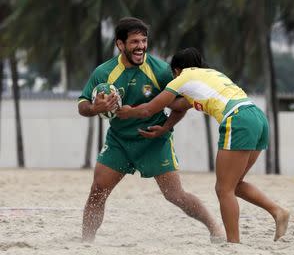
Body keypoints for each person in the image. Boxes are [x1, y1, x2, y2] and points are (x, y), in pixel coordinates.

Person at [116, 47, 290, 243]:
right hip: (257, 118)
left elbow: (149, 110)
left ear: (177, 70)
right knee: (235, 185)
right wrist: (164, 128)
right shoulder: (210, 75)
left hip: (238, 119)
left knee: (223, 189)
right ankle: (278, 212)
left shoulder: (182, 78)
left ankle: (233, 243)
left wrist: (127, 112)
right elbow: (179, 105)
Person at [78, 17, 223, 242]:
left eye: (144, 41)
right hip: (119, 141)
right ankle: (86, 242)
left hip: (154, 141)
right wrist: (94, 107)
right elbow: (82, 105)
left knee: (175, 195)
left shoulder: (161, 70)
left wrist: (165, 128)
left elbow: (181, 104)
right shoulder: (104, 72)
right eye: (134, 41)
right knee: (98, 191)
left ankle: (215, 228)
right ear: (120, 44)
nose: (141, 46)